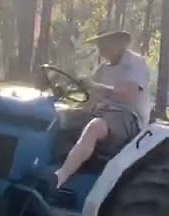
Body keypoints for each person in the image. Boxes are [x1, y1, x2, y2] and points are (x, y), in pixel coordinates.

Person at [52, 30, 150, 190]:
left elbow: (128, 96)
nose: (101, 48)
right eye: (99, 44)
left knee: (95, 126)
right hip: (102, 112)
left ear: (120, 43)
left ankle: (59, 177)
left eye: (105, 43)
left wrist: (96, 86)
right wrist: (71, 103)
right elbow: (90, 100)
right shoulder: (103, 69)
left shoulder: (136, 63)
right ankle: (52, 164)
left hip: (127, 117)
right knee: (59, 118)